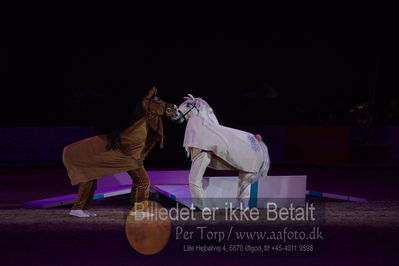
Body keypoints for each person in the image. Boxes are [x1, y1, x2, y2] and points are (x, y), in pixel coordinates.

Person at [63, 87, 177, 217]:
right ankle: (137, 210)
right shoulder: (141, 120)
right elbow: (132, 146)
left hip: (128, 156)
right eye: (156, 99)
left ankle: (80, 208)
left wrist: (171, 112)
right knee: (142, 181)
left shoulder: (144, 120)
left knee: (137, 181)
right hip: (128, 157)